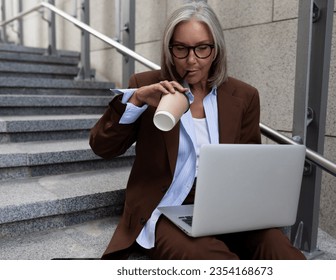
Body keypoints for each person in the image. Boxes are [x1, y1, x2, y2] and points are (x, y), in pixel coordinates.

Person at [90, 1, 306, 260]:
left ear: (216, 50)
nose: (191, 60)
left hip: (226, 207)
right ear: (170, 49)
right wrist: (135, 100)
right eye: (181, 49)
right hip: (167, 207)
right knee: (212, 260)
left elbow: (249, 163)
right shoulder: (147, 86)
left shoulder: (244, 96)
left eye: (202, 48)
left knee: (279, 249)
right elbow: (103, 147)